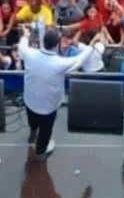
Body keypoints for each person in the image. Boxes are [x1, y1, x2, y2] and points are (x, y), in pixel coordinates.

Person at [18, 26, 90, 159]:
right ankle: (40, 152)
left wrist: (26, 35)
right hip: (48, 108)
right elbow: (81, 59)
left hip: (30, 101)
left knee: (32, 121)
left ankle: (33, 132)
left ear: (43, 41)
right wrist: (89, 46)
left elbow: (22, 45)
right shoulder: (61, 63)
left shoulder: (29, 54)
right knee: (45, 131)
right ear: (57, 44)